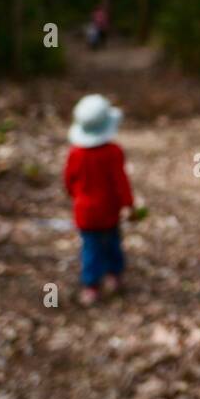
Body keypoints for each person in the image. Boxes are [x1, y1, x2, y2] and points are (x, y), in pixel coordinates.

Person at [63, 94, 133, 306]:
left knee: (90, 247)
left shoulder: (75, 154)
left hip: (85, 211)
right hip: (109, 210)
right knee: (112, 242)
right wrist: (128, 205)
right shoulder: (113, 152)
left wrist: (75, 195)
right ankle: (114, 275)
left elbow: (69, 180)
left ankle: (91, 286)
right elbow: (121, 182)